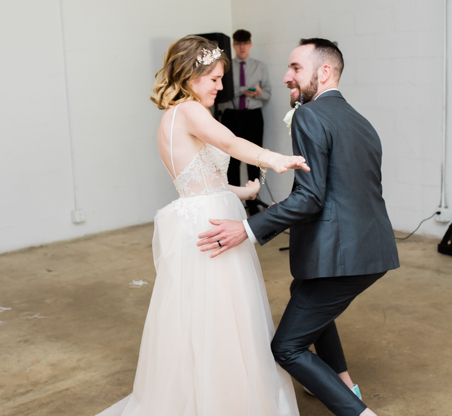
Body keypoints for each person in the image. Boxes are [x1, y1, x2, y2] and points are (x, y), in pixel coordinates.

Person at [94, 35, 306, 416]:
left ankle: (210, 393)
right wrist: (274, 159)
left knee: (208, 316)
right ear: (191, 77)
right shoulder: (189, 111)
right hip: (210, 226)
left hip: (207, 213)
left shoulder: (175, 116)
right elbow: (230, 141)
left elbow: (200, 181)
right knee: (221, 317)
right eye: (214, 78)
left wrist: (244, 191)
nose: (221, 86)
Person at [197, 39, 400, 416]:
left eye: (295, 68)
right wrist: (287, 206)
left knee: (286, 347)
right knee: (302, 290)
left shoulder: (309, 115)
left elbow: (312, 198)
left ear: (324, 73)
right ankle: (342, 382)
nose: (287, 76)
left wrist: (248, 228)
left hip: (345, 252)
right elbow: (340, 190)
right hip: (374, 245)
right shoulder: (361, 121)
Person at [219, 29, 272, 214]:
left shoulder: (260, 66)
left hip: (253, 115)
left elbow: (267, 94)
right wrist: (242, 89)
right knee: (232, 160)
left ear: (250, 44)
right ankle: (233, 202)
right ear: (234, 45)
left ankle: (253, 201)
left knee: (254, 158)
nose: (242, 48)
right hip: (231, 115)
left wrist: (257, 92)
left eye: (245, 44)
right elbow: (221, 94)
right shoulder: (225, 67)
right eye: (238, 44)